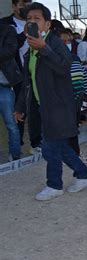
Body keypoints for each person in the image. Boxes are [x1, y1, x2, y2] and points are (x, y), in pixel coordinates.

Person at [14, 2, 87, 201]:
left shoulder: (53, 43)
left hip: (59, 106)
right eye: (29, 19)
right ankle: (83, 174)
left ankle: (54, 184)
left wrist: (44, 49)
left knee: (50, 147)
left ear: (47, 24)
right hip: (45, 106)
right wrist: (20, 107)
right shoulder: (29, 48)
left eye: (37, 19)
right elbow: (27, 82)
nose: (32, 22)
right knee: (58, 146)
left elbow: (65, 67)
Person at [59, 29, 87, 164]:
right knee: (64, 130)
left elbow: (84, 76)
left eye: (68, 41)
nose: (66, 43)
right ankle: (66, 154)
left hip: (77, 100)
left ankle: (76, 153)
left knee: (74, 128)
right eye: (63, 41)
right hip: (61, 102)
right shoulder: (52, 60)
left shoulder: (75, 58)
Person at [0, 23, 23, 161]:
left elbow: (9, 51)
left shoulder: (7, 28)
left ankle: (15, 155)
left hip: (4, 85)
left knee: (11, 124)